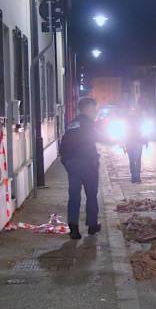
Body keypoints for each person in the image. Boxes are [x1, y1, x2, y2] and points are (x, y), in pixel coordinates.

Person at [59, 97, 102, 239]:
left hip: (73, 164)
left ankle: (73, 228)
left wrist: (67, 162)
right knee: (91, 195)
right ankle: (92, 225)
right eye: (95, 108)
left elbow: (63, 144)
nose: (96, 111)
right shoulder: (89, 124)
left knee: (74, 196)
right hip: (87, 164)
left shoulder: (73, 123)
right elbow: (98, 138)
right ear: (88, 108)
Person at [124, 109, 148, 183]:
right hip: (136, 143)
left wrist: (123, 145)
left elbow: (123, 134)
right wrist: (146, 142)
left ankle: (134, 177)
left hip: (131, 143)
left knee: (132, 160)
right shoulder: (139, 122)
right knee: (137, 160)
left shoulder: (127, 123)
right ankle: (136, 177)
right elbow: (144, 132)